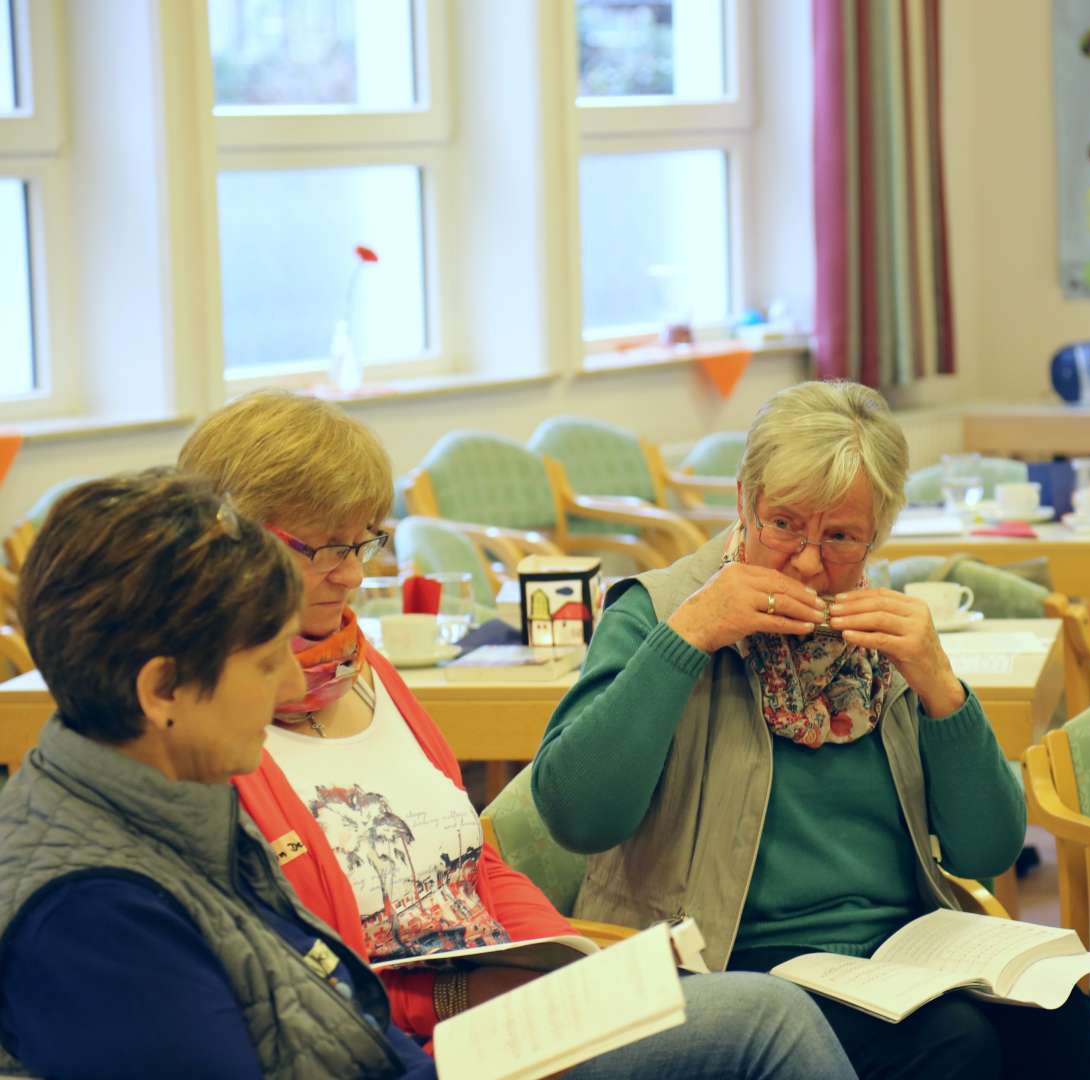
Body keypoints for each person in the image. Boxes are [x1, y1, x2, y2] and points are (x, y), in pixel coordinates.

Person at [178, 390, 855, 1080]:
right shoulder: (208, 737)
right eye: (324, 548)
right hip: (415, 1050)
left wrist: (570, 959)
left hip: (509, 1012)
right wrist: (469, 996)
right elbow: (296, 984)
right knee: (769, 1017)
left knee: (782, 1017)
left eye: (362, 543)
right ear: (232, 542)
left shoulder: (362, 669)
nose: (351, 573)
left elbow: (473, 863)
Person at [533, 380, 1090, 1080]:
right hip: (728, 963)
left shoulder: (883, 633)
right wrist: (688, 637)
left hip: (902, 954)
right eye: (783, 525)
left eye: (839, 537)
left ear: (878, 533)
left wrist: (940, 684)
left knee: (1060, 1017)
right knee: (953, 1042)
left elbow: (985, 847)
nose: (808, 561)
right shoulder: (658, 611)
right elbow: (577, 816)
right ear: (744, 501)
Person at [0, 470, 436, 1077]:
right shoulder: (92, 920)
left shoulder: (178, 796)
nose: (292, 684)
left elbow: (340, 1018)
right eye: (267, 663)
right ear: (162, 689)